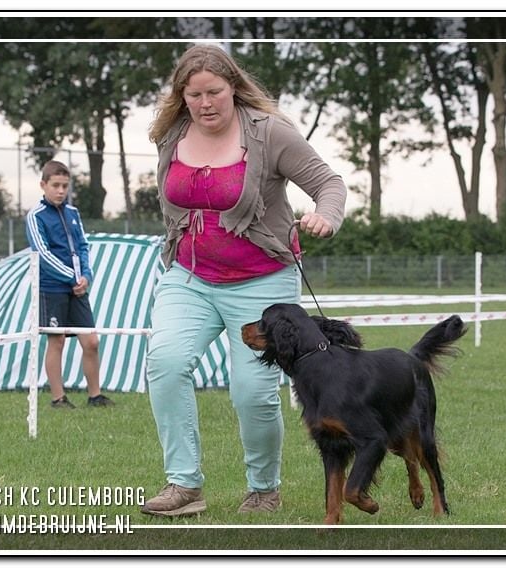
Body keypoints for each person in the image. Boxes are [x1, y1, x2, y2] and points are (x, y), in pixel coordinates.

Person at [140, 44, 346, 517]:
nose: (205, 103)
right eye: (195, 95)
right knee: (166, 363)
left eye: (214, 92)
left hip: (262, 282)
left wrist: (326, 215)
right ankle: (183, 485)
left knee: (251, 393)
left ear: (233, 86)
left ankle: (263, 489)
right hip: (189, 275)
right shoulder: (172, 134)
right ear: (182, 96)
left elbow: (328, 183)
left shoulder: (270, 133)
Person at [25, 160, 114, 409]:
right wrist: (71, 277)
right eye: (55, 185)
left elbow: (83, 247)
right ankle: (58, 398)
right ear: (43, 185)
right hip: (52, 288)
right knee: (57, 341)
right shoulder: (36, 216)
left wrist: (86, 276)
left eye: (65, 186)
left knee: (92, 341)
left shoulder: (73, 213)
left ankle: (95, 395)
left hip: (78, 288)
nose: (61, 191)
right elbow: (42, 254)